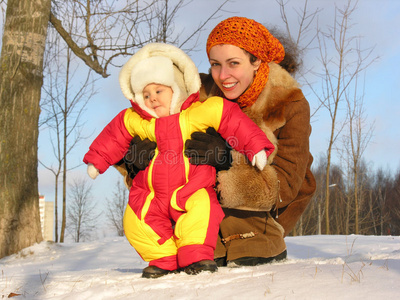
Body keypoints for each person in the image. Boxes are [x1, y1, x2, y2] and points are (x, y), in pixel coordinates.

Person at [122, 17, 316, 267]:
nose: (223, 76)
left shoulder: (290, 104)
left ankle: (250, 238)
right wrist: (133, 162)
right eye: (215, 64)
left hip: (263, 214)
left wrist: (228, 159)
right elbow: (147, 120)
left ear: (256, 60)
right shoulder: (198, 92)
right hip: (194, 207)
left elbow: (287, 186)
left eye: (233, 63)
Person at [83, 42, 277, 278]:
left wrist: (239, 154)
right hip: (151, 194)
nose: (152, 99)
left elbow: (233, 121)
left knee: (201, 211)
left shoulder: (199, 111)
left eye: (159, 91)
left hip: (192, 191)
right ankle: (161, 257)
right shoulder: (135, 120)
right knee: (135, 220)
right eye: (146, 94)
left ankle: (196, 255)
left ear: (176, 88)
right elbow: (113, 136)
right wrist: (111, 161)